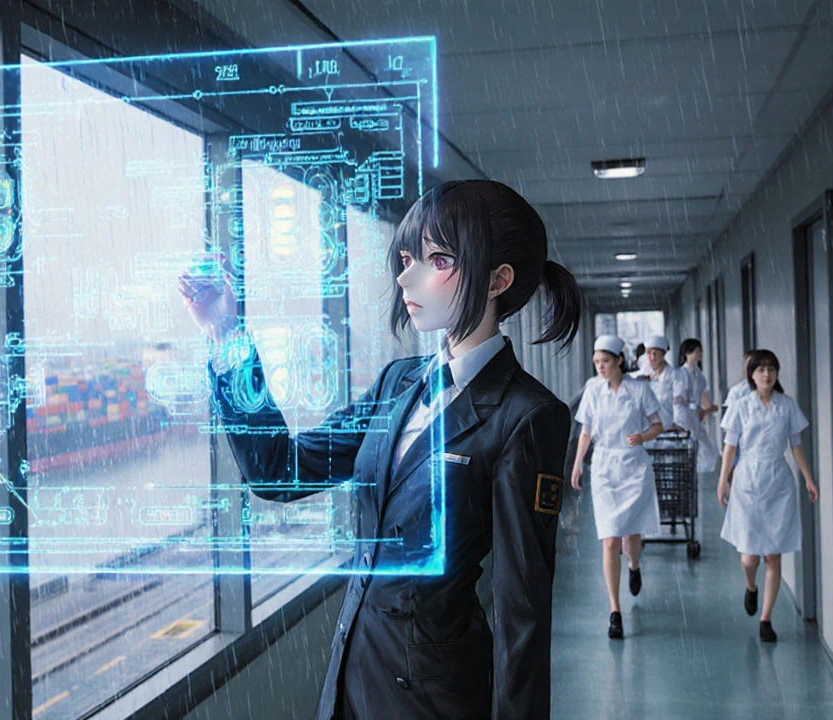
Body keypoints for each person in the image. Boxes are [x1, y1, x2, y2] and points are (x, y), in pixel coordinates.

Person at [179, 180, 581, 719]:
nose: (405, 274)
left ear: (497, 280)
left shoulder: (526, 416)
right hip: (352, 679)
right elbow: (280, 471)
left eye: (437, 258)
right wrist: (227, 333)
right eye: (408, 255)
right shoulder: (398, 384)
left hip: (435, 700)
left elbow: (522, 612)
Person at [716, 349, 819, 642]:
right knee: (750, 557)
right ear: (751, 374)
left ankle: (766, 619)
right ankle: (751, 587)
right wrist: (723, 481)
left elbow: (796, 445)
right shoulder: (741, 406)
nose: (767, 374)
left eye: (771, 369)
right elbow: (730, 447)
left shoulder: (787, 406)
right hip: (748, 480)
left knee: (773, 555)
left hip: (779, 482)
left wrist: (808, 479)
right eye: (760, 369)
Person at [570, 335, 666, 639]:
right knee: (610, 541)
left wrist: (643, 437)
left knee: (630, 538)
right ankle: (615, 610)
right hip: (604, 470)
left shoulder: (639, 389)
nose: (600, 367)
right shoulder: (592, 390)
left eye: (605, 361)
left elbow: (658, 424)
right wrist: (577, 464)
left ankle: (634, 567)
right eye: (596, 362)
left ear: (619, 361)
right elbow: (586, 431)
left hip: (634, 468)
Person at [676, 338, 721, 472]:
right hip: (682, 417)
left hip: (694, 417)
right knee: (686, 449)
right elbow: (678, 398)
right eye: (696, 351)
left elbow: (702, 394)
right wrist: (695, 408)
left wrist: (708, 408)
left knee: (707, 448)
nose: (700, 354)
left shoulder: (699, 375)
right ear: (686, 353)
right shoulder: (681, 374)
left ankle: (700, 475)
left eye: (700, 351)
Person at [638, 335, 687, 429]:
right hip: (649, 432)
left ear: (663, 354)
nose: (652, 357)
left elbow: (679, 403)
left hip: (669, 431)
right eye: (649, 353)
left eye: (655, 353)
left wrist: (679, 425)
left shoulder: (675, 376)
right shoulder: (644, 379)